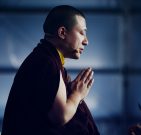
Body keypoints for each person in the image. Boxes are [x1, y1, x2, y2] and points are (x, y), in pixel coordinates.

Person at [2, 5, 100, 135]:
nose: (86, 41)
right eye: (82, 32)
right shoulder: (45, 62)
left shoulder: (48, 59)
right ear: (62, 33)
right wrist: (77, 94)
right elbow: (61, 116)